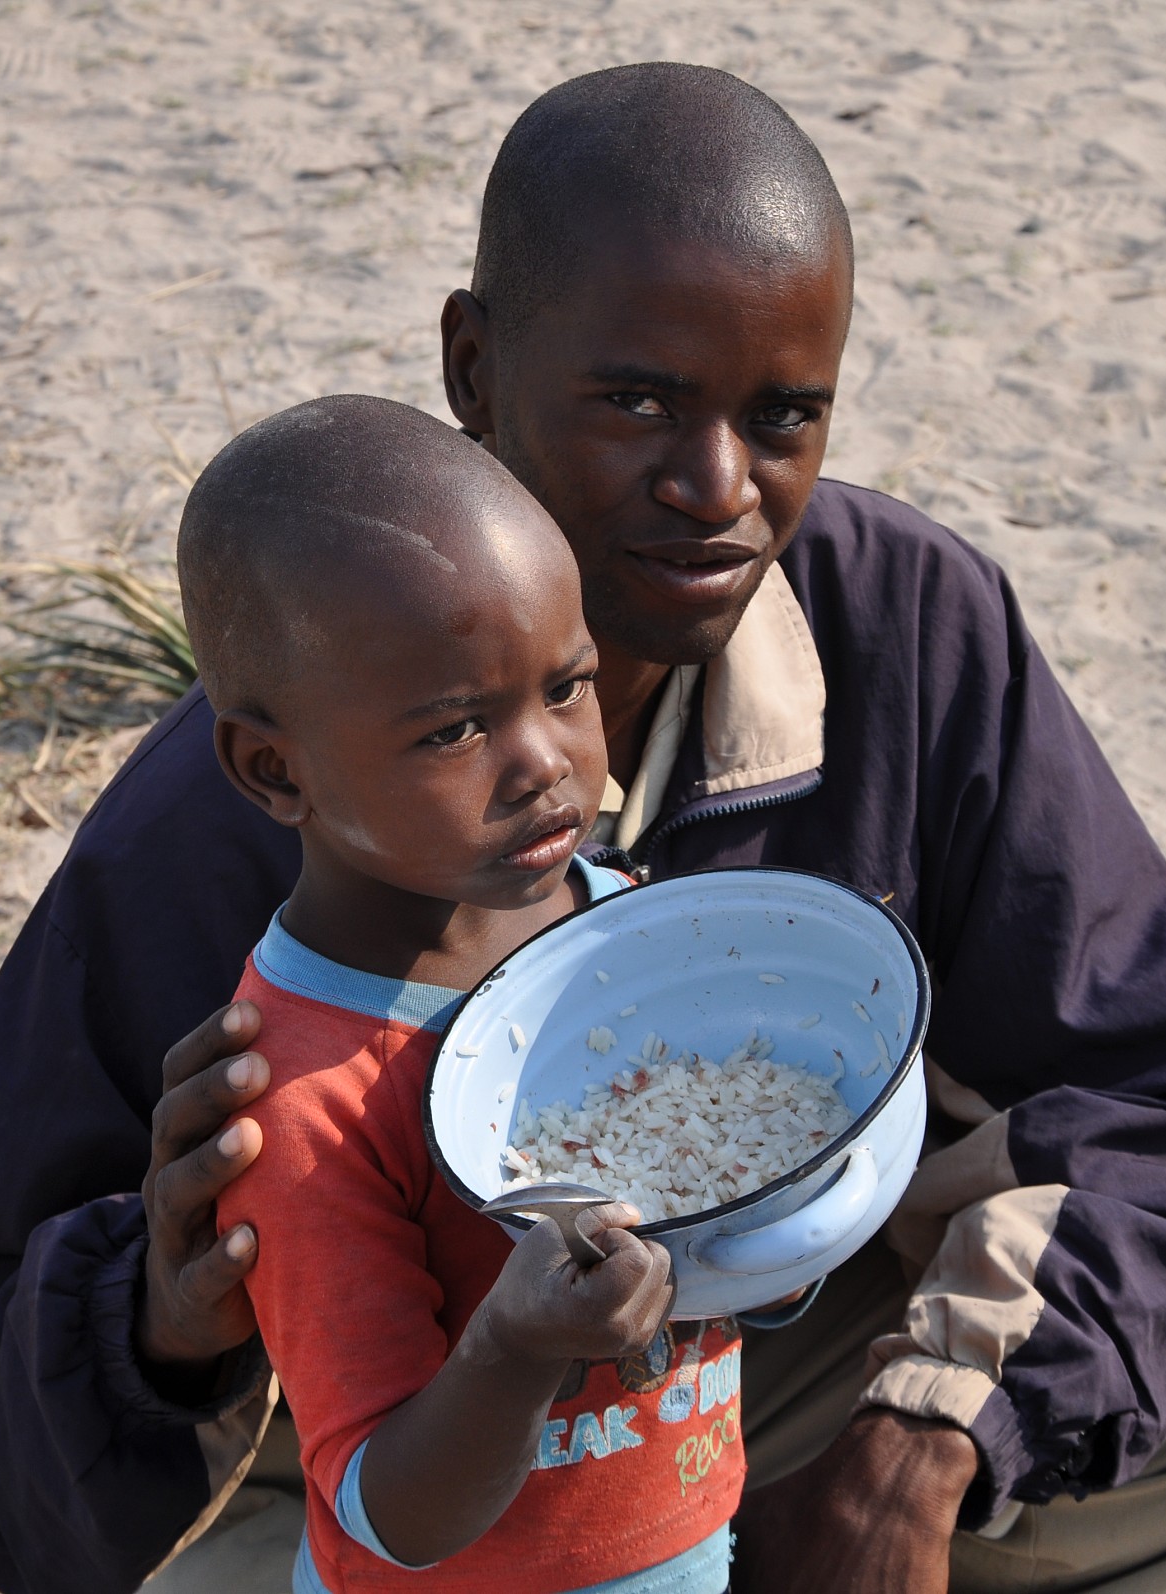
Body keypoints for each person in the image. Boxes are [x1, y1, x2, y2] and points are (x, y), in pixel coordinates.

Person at [0, 63, 1166, 1594]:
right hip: (413, 1460)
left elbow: (1147, 1087)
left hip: (746, 1369)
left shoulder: (909, 627)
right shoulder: (270, 796)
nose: (718, 487)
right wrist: (159, 1324)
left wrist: (921, 1441)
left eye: (784, 414)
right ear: (475, 369)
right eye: (637, 399)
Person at [178, 392, 737, 1592]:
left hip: (683, 1544)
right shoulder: (304, 1096)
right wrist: (515, 1347)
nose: (544, 760)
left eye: (568, 686)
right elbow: (389, 1509)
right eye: (452, 732)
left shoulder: (626, 926)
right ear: (275, 767)